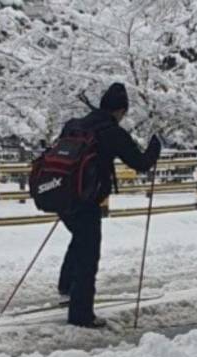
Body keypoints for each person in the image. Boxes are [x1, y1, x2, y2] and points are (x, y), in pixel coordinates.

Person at [57, 83, 161, 328]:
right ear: (121, 110)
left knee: (80, 239)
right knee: (88, 254)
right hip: (86, 200)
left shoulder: (75, 125)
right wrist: (155, 146)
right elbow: (141, 163)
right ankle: (81, 315)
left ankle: (66, 286)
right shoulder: (111, 132)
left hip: (62, 195)